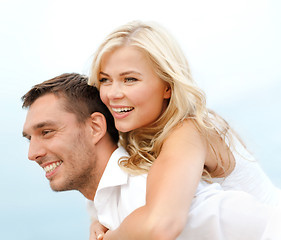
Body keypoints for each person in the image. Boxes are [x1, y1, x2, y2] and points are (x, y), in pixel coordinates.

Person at [21, 73, 280, 240]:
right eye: (30, 138)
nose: (33, 153)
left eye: (47, 131)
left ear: (95, 128)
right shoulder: (107, 200)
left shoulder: (147, 193)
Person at [87, 20, 281, 239]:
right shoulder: (136, 138)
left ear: (167, 86)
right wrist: (99, 218)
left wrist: (110, 236)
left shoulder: (190, 129)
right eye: (105, 80)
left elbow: (162, 224)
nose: (113, 93)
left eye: (129, 79)